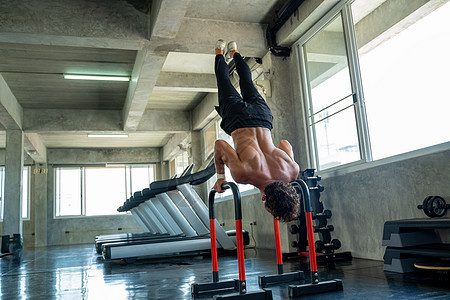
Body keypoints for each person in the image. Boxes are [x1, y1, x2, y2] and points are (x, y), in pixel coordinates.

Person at [213, 40, 300, 222]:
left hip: (263, 118)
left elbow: (284, 143)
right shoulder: (243, 175)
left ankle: (235, 49)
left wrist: (286, 172)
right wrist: (221, 178)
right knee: (223, 82)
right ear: (266, 204)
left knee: (247, 81)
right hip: (237, 120)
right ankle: (219, 50)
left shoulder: (292, 171)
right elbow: (220, 145)